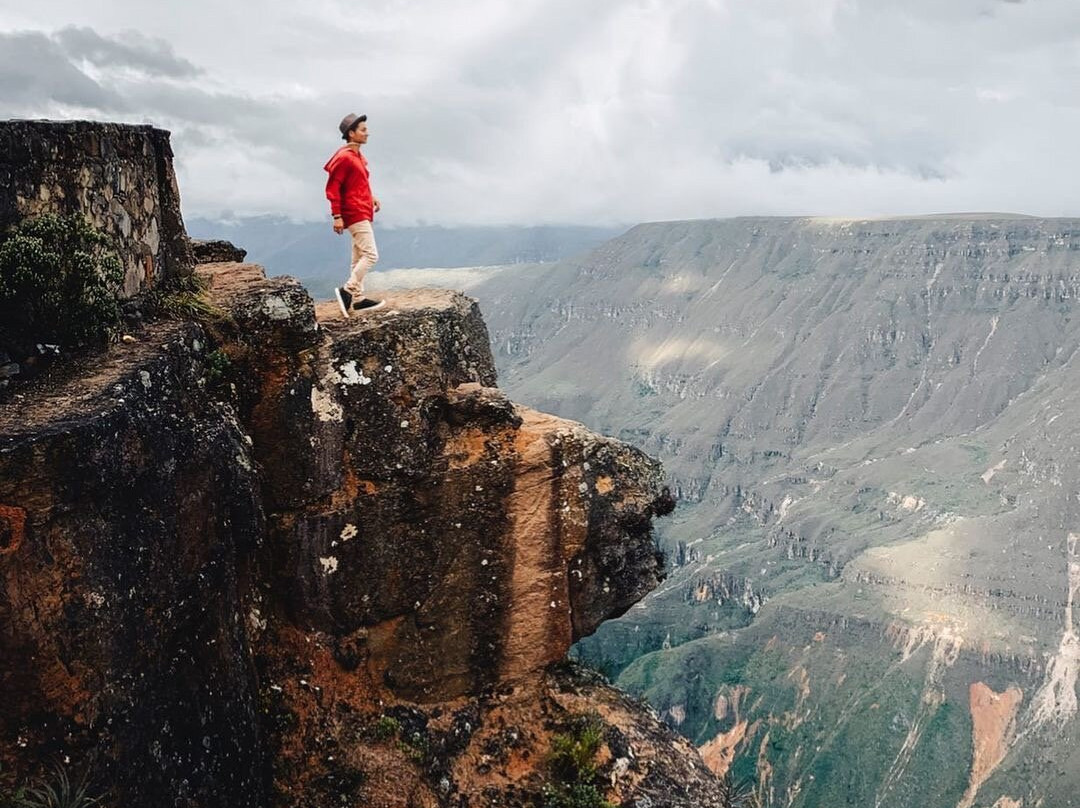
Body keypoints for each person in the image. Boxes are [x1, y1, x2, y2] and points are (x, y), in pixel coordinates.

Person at [325, 112, 385, 316]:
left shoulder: (357, 156)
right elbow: (333, 188)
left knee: (358, 255)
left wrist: (371, 197)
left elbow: (357, 184)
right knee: (371, 255)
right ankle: (347, 290)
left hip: (361, 207)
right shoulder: (344, 158)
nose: (367, 133)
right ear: (351, 133)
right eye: (363, 130)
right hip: (354, 212)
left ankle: (358, 300)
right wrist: (337, 216)